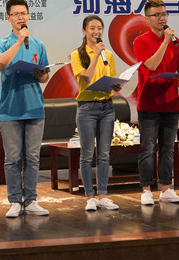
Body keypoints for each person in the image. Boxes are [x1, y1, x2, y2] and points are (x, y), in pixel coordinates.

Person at [0, 0, 50, 218]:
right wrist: (18, 42)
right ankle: (15, 201)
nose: (20, 17)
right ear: (8, 17)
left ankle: (32, 200)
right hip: (10, 109)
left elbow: (45, 77)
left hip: (34, 107)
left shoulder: (39, 44)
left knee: (33, 158)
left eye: (23, 13)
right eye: (15, 14)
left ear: (28, 15)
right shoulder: (1, 43)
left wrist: (40, 74)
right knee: (13, 158)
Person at [133, 0, 179, 205]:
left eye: (164, 14)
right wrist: (165, 42)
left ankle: (166, 189)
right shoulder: (141, 41)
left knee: (168, 148)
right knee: (148, 148)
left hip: (171, 102)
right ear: (147, 18)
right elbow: (151, 65)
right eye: (157, 15)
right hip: (149, 102)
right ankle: (146, 189)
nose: (162, 18)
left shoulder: (177, 42)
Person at [70, 15, 121, 211]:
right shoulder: (78, 54)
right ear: (84, 31)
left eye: (99, 28)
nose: (96, 32)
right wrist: (96, 55)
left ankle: (103, 195)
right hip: (87, 108)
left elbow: (112, 79)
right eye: (92, 28)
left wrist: (117, 84)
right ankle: (89, 196)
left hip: (107, 107)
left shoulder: (109, 54)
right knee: (86, 154)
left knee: (104, 154)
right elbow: (88, 77)